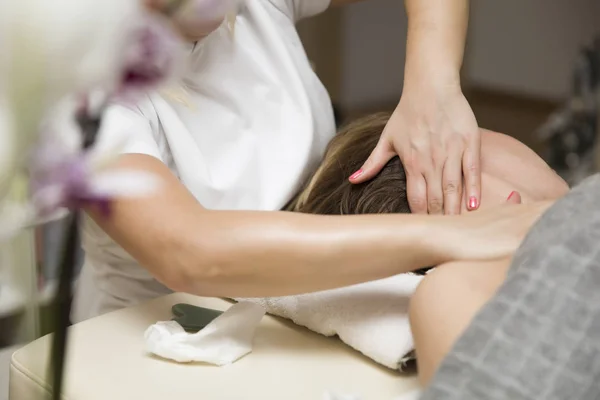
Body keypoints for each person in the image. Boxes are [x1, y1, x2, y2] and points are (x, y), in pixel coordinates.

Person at [71, 0, 541, 323]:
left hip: (304, 303)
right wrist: (455, 235)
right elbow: (190, 252)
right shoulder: (81, 88)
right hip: (158, 339)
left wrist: (432, 79)